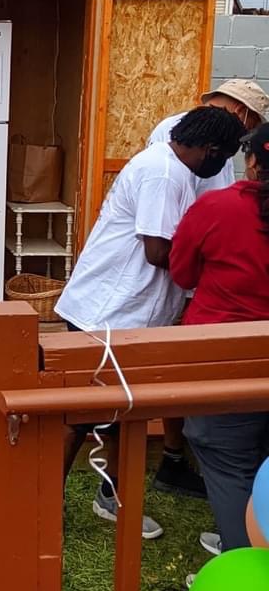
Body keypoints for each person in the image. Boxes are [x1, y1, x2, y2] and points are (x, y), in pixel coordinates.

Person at [55, 106, 246, 539]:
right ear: (210, 149)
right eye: (224, 157)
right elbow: (158, 252)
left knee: (125, 412)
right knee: (78, 418)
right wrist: (212, 251)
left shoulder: (171, 167)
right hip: (106, 314)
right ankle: (43, 503)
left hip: (130, 313)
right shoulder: (163, 174)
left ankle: (112, 495)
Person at [145, 80, 268, 497]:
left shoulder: (222, 201)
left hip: (215, 308)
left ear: (251, 163)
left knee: (217, 418)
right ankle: (175, 456)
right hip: (208, 280)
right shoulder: (179, 142)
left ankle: (186, 462)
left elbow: (181, 267)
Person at [170, 121, 269, 565]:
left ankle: (245, 567)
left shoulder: (217, 208)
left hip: (227, 357)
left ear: (251, 162)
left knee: (231, 467)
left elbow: (183, 273)